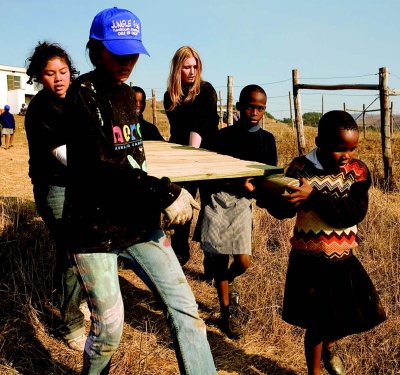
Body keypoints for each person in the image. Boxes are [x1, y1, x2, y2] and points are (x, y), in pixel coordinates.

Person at [62, 7, 216, 374]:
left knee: (187, 312)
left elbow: (133, 162)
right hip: (93, 230)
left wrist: (160, 194)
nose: (127, 60)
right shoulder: (82, 97)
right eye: (117, 52)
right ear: (95, 49)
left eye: (132, 52)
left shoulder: (126, 97)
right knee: (109, 330)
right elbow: (102, 170)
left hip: (139, 224)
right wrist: (165, 194)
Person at [260, 110, 386, 375]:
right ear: (320, 141)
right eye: (340, 148)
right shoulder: (301, 168)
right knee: (316, 323)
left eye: (352, 148)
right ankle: (313, 372)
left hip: (342, 258)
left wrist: (313, 197)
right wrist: (265, 196)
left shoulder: (357, 172)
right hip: (309, 259)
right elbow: (285, 210)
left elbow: (353, 213)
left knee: (362, 313)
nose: (347, 155)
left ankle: (330, 346)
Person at [24, 41, 88, 351]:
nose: (59, 78)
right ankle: (71, 325)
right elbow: (67, 157)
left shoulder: (78, 99)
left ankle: (74, 302)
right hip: (55, 188)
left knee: (77, 252)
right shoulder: (41, 109)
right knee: (72, 253)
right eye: (50, 74)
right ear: (39, 76)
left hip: (81, 184)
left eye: (63, 71)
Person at [200, 85, 277, 340]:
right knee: (221, 259)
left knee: (243, 261)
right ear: (239, 107)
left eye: (260, 108)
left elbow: (269, 176)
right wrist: (235, 184)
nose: (254, 112)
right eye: (249, 106)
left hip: (244, 203)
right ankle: (226, 314)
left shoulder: (267, 140)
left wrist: (262, 192)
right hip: (219, 200)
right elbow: (209, 174)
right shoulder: (222, 137)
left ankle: (226, 281)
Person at [164, 45, 219, 269]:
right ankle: (179, 254)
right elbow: (176, 129)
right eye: (187, 67)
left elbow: (201, 125)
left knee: (209, 207)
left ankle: (212, 260)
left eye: (195, 66)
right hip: (180, 155)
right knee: (181, 203)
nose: (192, 71)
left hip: (204, 154)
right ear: (178, 68)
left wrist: (192, 157)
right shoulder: (171, 94)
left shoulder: (206, 90)